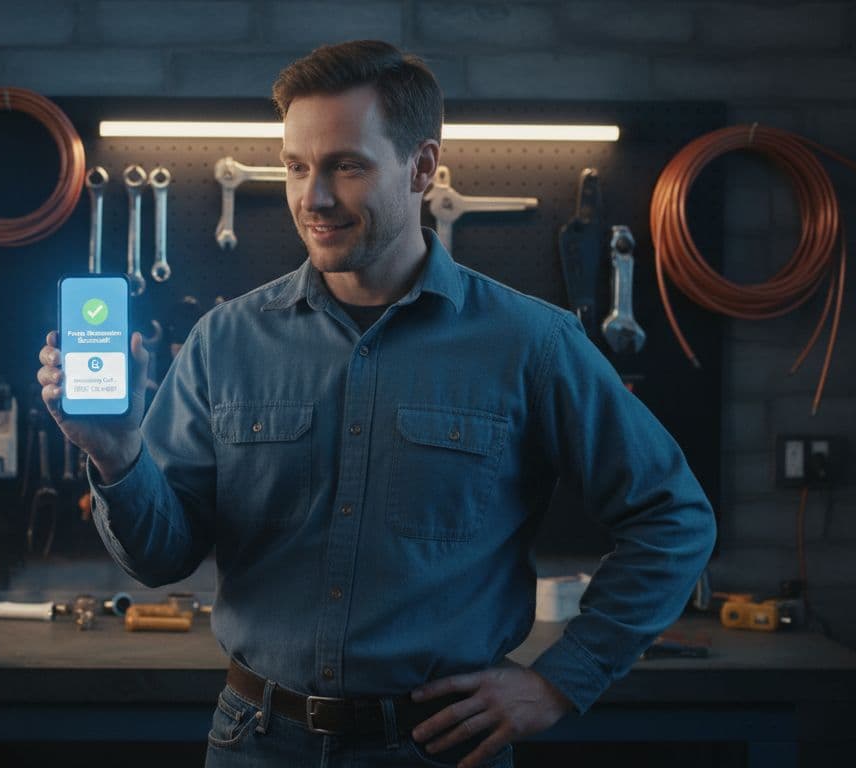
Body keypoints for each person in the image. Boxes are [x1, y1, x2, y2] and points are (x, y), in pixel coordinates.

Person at [37, 40, 715, 768]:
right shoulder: (225, 341)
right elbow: (160, 557)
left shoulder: (532, 344)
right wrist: (114, 454)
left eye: (346, 166)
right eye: (296, 167)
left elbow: (672, 517)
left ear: (422, 167)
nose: (312, 198)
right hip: (255, 744)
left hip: (436, 750)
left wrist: (559, 682)